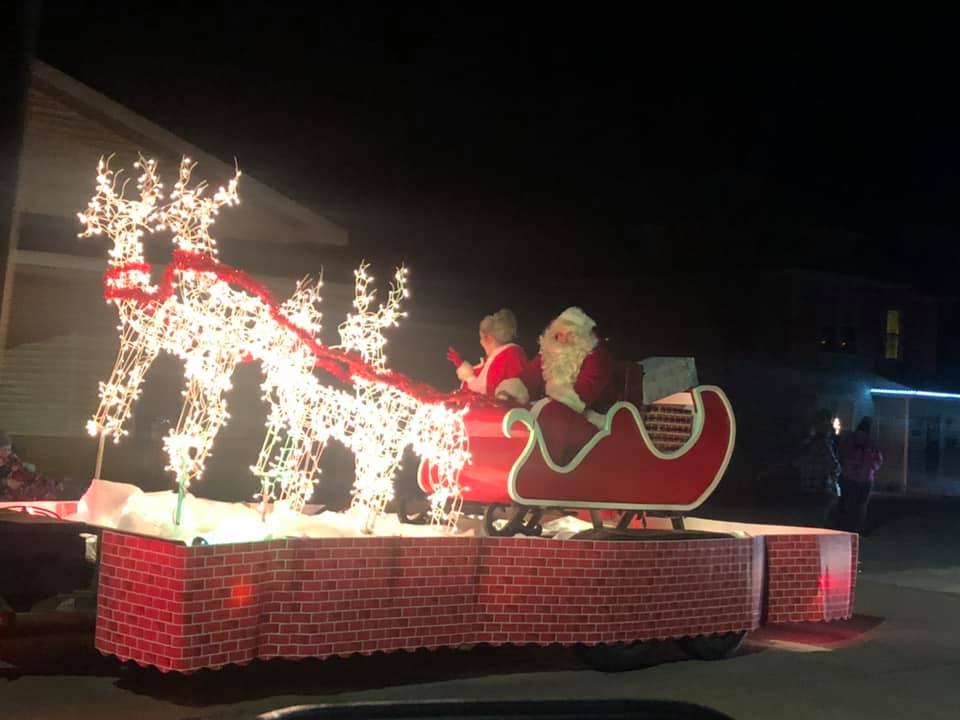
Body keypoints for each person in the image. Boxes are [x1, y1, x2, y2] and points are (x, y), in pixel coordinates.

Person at [523, 307, 617, 465]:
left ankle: (546, 468)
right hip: (557, 414)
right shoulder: (549, 354)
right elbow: (528, 377)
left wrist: (547, 404)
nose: (564, 340)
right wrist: (514, 389)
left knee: (553, 415)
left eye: (571, 334)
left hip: (594, 423)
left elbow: (581, 396)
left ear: (582, 338)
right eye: (559, 335)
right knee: (521, 409)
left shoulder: (597, 357)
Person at [447, 308, 529, 404]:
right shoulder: (506, 355)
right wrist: (461, 366)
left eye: (481, 338)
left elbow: (485, 395)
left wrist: (468, 376)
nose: (481, 343)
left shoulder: (506, 355)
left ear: (489, 338)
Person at [793, 408, 841, 527]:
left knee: (807, 522)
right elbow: (834, 466)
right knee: (817, 522)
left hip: (806, 486)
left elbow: (797, 462)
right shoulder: (824, 443)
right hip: (821, 488)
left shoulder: (807, 442)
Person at [838, 417, 883, 534]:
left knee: (853, 504)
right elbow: (878, 460)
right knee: (858, 505)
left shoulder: (851, 441)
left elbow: (841, 456)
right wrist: (871, 468)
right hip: (860, 478)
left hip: (854, 478)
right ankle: (855, 529)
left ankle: (850, 528)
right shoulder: (869, 443)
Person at [0, 431, 62, 502]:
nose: (8, 453)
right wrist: (6, 482)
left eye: (9, 450)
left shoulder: (11, 457)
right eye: (4, 450)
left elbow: (23, 471)